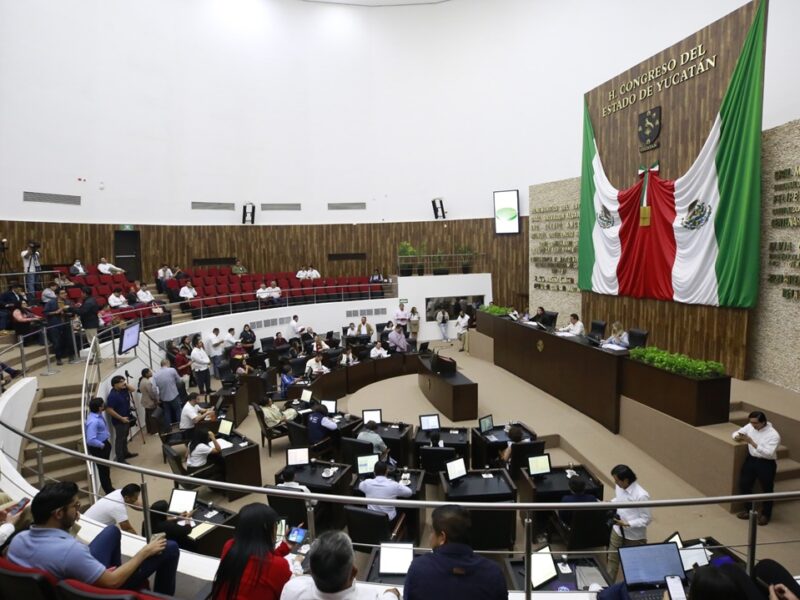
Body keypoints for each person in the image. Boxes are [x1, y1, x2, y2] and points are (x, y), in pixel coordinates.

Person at [7, 481, 179, 595]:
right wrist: (144, 551)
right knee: (169, 547)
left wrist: (69, 521)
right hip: (100, 588)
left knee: (112, 531)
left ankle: (121, 570)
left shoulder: (18, 539)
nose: (78, 511)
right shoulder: (71, 551)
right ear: (59, 513)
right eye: (75, 506)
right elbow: (111, 582)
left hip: (73, 570)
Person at [403, 505, 507, 600]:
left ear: (442, 537)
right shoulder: (494, 572)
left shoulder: (418, 568)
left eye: (432, 531)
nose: (430, 536)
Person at [280, 530, 398, 600]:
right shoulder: (371, 595)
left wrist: (296, 563)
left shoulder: (291, 589)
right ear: (354, 572)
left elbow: (297, 579)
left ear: (311, 570)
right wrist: (392, 594)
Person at [212, 503, 291, 600]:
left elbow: (259, 560)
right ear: (266, 527)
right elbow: (286, 594)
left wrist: (285, 547)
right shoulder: (280, 565)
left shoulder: (229, 546)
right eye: (275, 526)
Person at [733, 410, 781, 525]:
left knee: (767, 489)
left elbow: (768, 453)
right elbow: (736, 433)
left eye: (755, 423)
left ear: (763, 422)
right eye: (751, 422)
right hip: (751, 460)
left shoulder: (773, 435)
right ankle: (748, 510)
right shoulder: (750, 426)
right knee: (744, 484)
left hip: (766, 463)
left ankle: (766, 514)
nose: (752, 425)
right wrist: (738, 437)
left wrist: (752, 442)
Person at [606, 464, 651, 582]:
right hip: (617, 531)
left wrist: (627, 523)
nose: (615, 483)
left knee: (632, 566)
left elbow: (646, 519)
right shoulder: (619, 487)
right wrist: (609, 503)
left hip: (634, 537)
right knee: (612, 560)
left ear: (626, 480)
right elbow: (619, 500)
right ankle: (608, 587)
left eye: (617, 480)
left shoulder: (641, 495)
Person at [85, 397, 114, 494]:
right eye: (103, 404)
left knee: (106, 469)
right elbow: (90, 440)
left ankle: (109, 487)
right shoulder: (93, 421)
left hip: (104, 445)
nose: (104, 405)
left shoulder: (98, 415)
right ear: (99, 408)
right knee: (103, 471)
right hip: (100, 448)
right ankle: (108, 490)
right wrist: (102, 445)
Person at [106, 375, 137, 464]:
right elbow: (109, 409)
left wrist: (125, 384)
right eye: (121, 381)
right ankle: (120, 459)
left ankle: (126, 453)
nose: (123, 383)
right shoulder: (112, 396)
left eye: (124, 381)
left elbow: (133, 389)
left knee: (125, 437)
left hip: (127, 418)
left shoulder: (123, 390)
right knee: (120, 439)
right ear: (115, 384)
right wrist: (121, 418)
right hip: (119, 421)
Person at [44, 288, 75, 365]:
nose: (65, 294)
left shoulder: (68, 302)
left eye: (65, 293)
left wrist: (70, 313)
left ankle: (71, 356)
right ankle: (58, 358)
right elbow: (46, 313)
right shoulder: (50, 303)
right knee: (57, 342)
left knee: (69, 340)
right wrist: (56, 312)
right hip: (55, 324)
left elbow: (73, 312)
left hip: (66, 323)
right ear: (57, 295)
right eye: (62, 293)